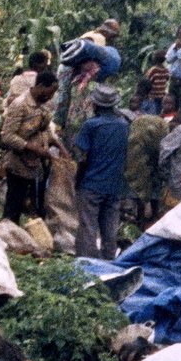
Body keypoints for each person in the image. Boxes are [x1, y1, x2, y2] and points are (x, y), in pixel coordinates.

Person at [72, 83, 128, 260]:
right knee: (110, 227)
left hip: (92, 183)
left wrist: (77, 180)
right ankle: (109, 261)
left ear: (95, 105)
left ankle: (87, 264)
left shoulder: (91, 126)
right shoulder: (123, 125)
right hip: (115, 184)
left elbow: (82, 158)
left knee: (88, 227)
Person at [0, 69, 58, 223]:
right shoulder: (20, 105)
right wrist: (32, 148)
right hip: (18, 163)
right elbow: (7, 136)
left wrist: (60, 149)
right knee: (14, 204)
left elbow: (46, 131)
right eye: (49, 92)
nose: (50, 96)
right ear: (39, 86)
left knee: (32, 205)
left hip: (35, 165)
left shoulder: (44, 106)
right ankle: (8, 231)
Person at [142, 50, 170, 114]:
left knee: (153, 112)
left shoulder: (153, 70)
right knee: (159, 111)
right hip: (162, 95)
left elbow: (147, 82)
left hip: (153, 96)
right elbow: (167, 79)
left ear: (154, 59)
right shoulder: (166, 70)